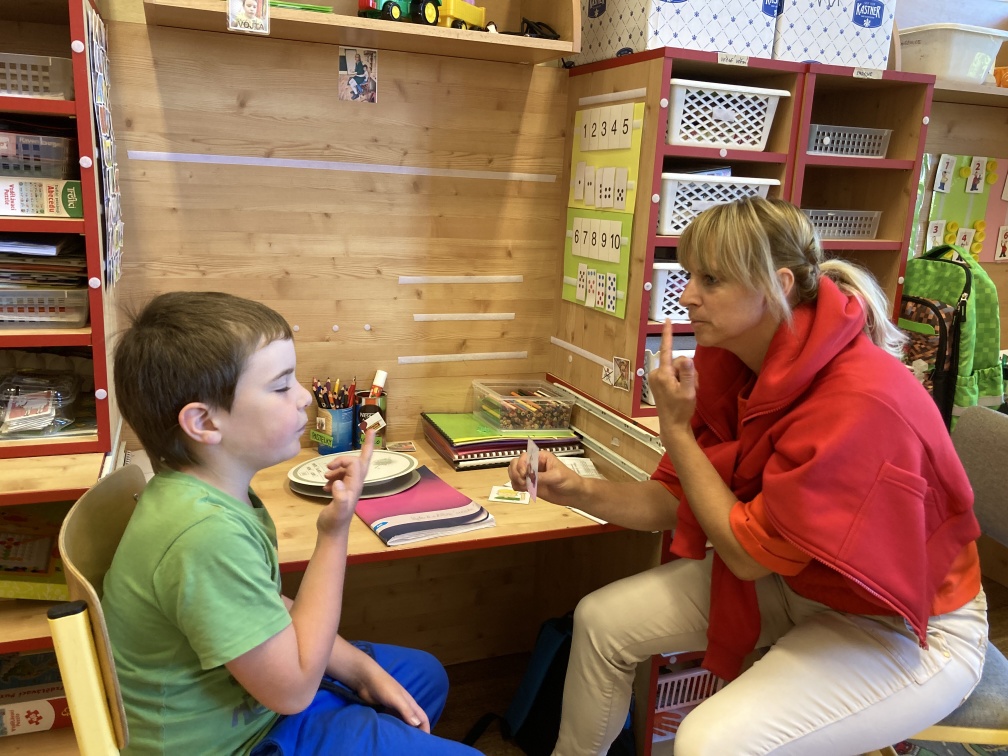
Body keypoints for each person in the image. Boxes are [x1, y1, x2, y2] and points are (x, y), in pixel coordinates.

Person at [508, 197, 988, 755]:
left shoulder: (856, 398)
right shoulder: (737, 362)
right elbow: (674, 497)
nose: (687, 296)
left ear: (778, 286)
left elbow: (745, 557)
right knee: (600, 621)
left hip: (909, 625)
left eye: (711, 280)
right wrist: (576, 489)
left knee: (709, 742)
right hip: (801, 581)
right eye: (690, 275)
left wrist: (677, 431)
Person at [104, 291, 480, 755]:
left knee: (424, 676)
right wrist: (334, 531)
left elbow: (261, 605)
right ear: (204, 422)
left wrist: (361, 671)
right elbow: (294, 690)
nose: (303, 396)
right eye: (282, 386)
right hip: (241, 741)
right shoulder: (204, 534)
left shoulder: (204, 494)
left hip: (258, 704)